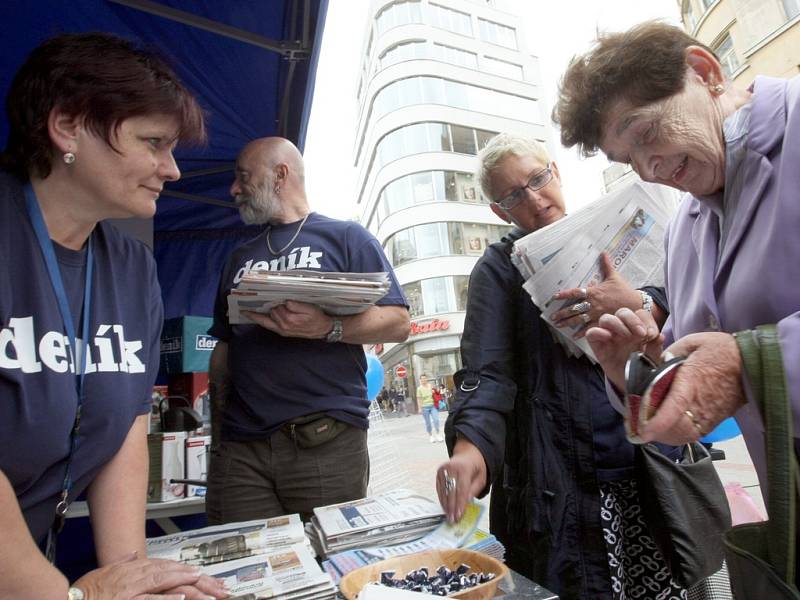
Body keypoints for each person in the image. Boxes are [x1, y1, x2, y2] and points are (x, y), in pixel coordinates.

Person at [0, 33, 227, 599]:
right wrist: (75, 596)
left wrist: (135, 575)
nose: (171, 170)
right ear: (68, 125)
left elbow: (126, 422)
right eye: (153, 142)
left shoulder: (130, 266)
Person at [554, 18, 800, 521]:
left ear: (705, 72)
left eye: (646, 133)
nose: (648, 169)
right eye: (629, 160)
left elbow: (735, 366)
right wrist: (637, 370)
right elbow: (695, 374)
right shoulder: (683, 227)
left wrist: (750, 364)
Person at [435, 133, 697, 600]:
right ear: (500, 211)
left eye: (538, 179)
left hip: (646, 463)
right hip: (558, 480)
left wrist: (639, 304)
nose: (534, 199)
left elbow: (682, 301)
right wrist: (470, 448)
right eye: (514, 194)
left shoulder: (611, 229)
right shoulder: (498, 270)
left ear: (555, 171)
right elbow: (486, 375)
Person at [206, 137, 409, 523]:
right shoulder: (239, 256)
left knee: (329, 564)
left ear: (280, 174)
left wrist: (327, 327)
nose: (234, 189)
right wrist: (219, 440)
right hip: (241, 449)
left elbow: (399, 323)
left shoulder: (348, 237)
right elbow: (224, 351)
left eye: (243, 177)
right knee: (245, 569)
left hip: (326, 442)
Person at [417, 375, 443, 443]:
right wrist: (419, 408)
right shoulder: (419, 388)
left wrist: (436, 389)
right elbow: (419, 399)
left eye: (425, 378)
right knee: (428, 423)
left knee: (436, 420)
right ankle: (431, 436)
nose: (424, 380)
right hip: (424, 407)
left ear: (426, 379)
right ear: (420, 380)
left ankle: (438, 434)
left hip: (433, 406)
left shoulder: (430, 386)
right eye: (422, 379)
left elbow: (437, 392)